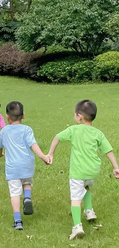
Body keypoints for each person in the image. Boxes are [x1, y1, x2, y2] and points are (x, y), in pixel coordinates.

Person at [48, 99, 119, 240]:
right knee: (86, 187)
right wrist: (116, 167)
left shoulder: (73, 130)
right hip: (93, 171)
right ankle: (89, 210)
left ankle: (77, 227)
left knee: (75, 198)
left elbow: (57, 138)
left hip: (78, 172)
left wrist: (50, 153)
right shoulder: (98, 133)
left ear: (79, 116)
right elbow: (108, 150)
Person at [0, 101, 50, 230]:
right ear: (23, 116)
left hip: (12, 168)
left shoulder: (4, 131)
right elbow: (33, 145)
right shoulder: (27, 129)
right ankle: (27, 198)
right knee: (27, 183)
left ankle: (18, 221)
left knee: (14, 193)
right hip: (27, 165)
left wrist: (0, 155)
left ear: (7, 117)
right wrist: (43, 156)